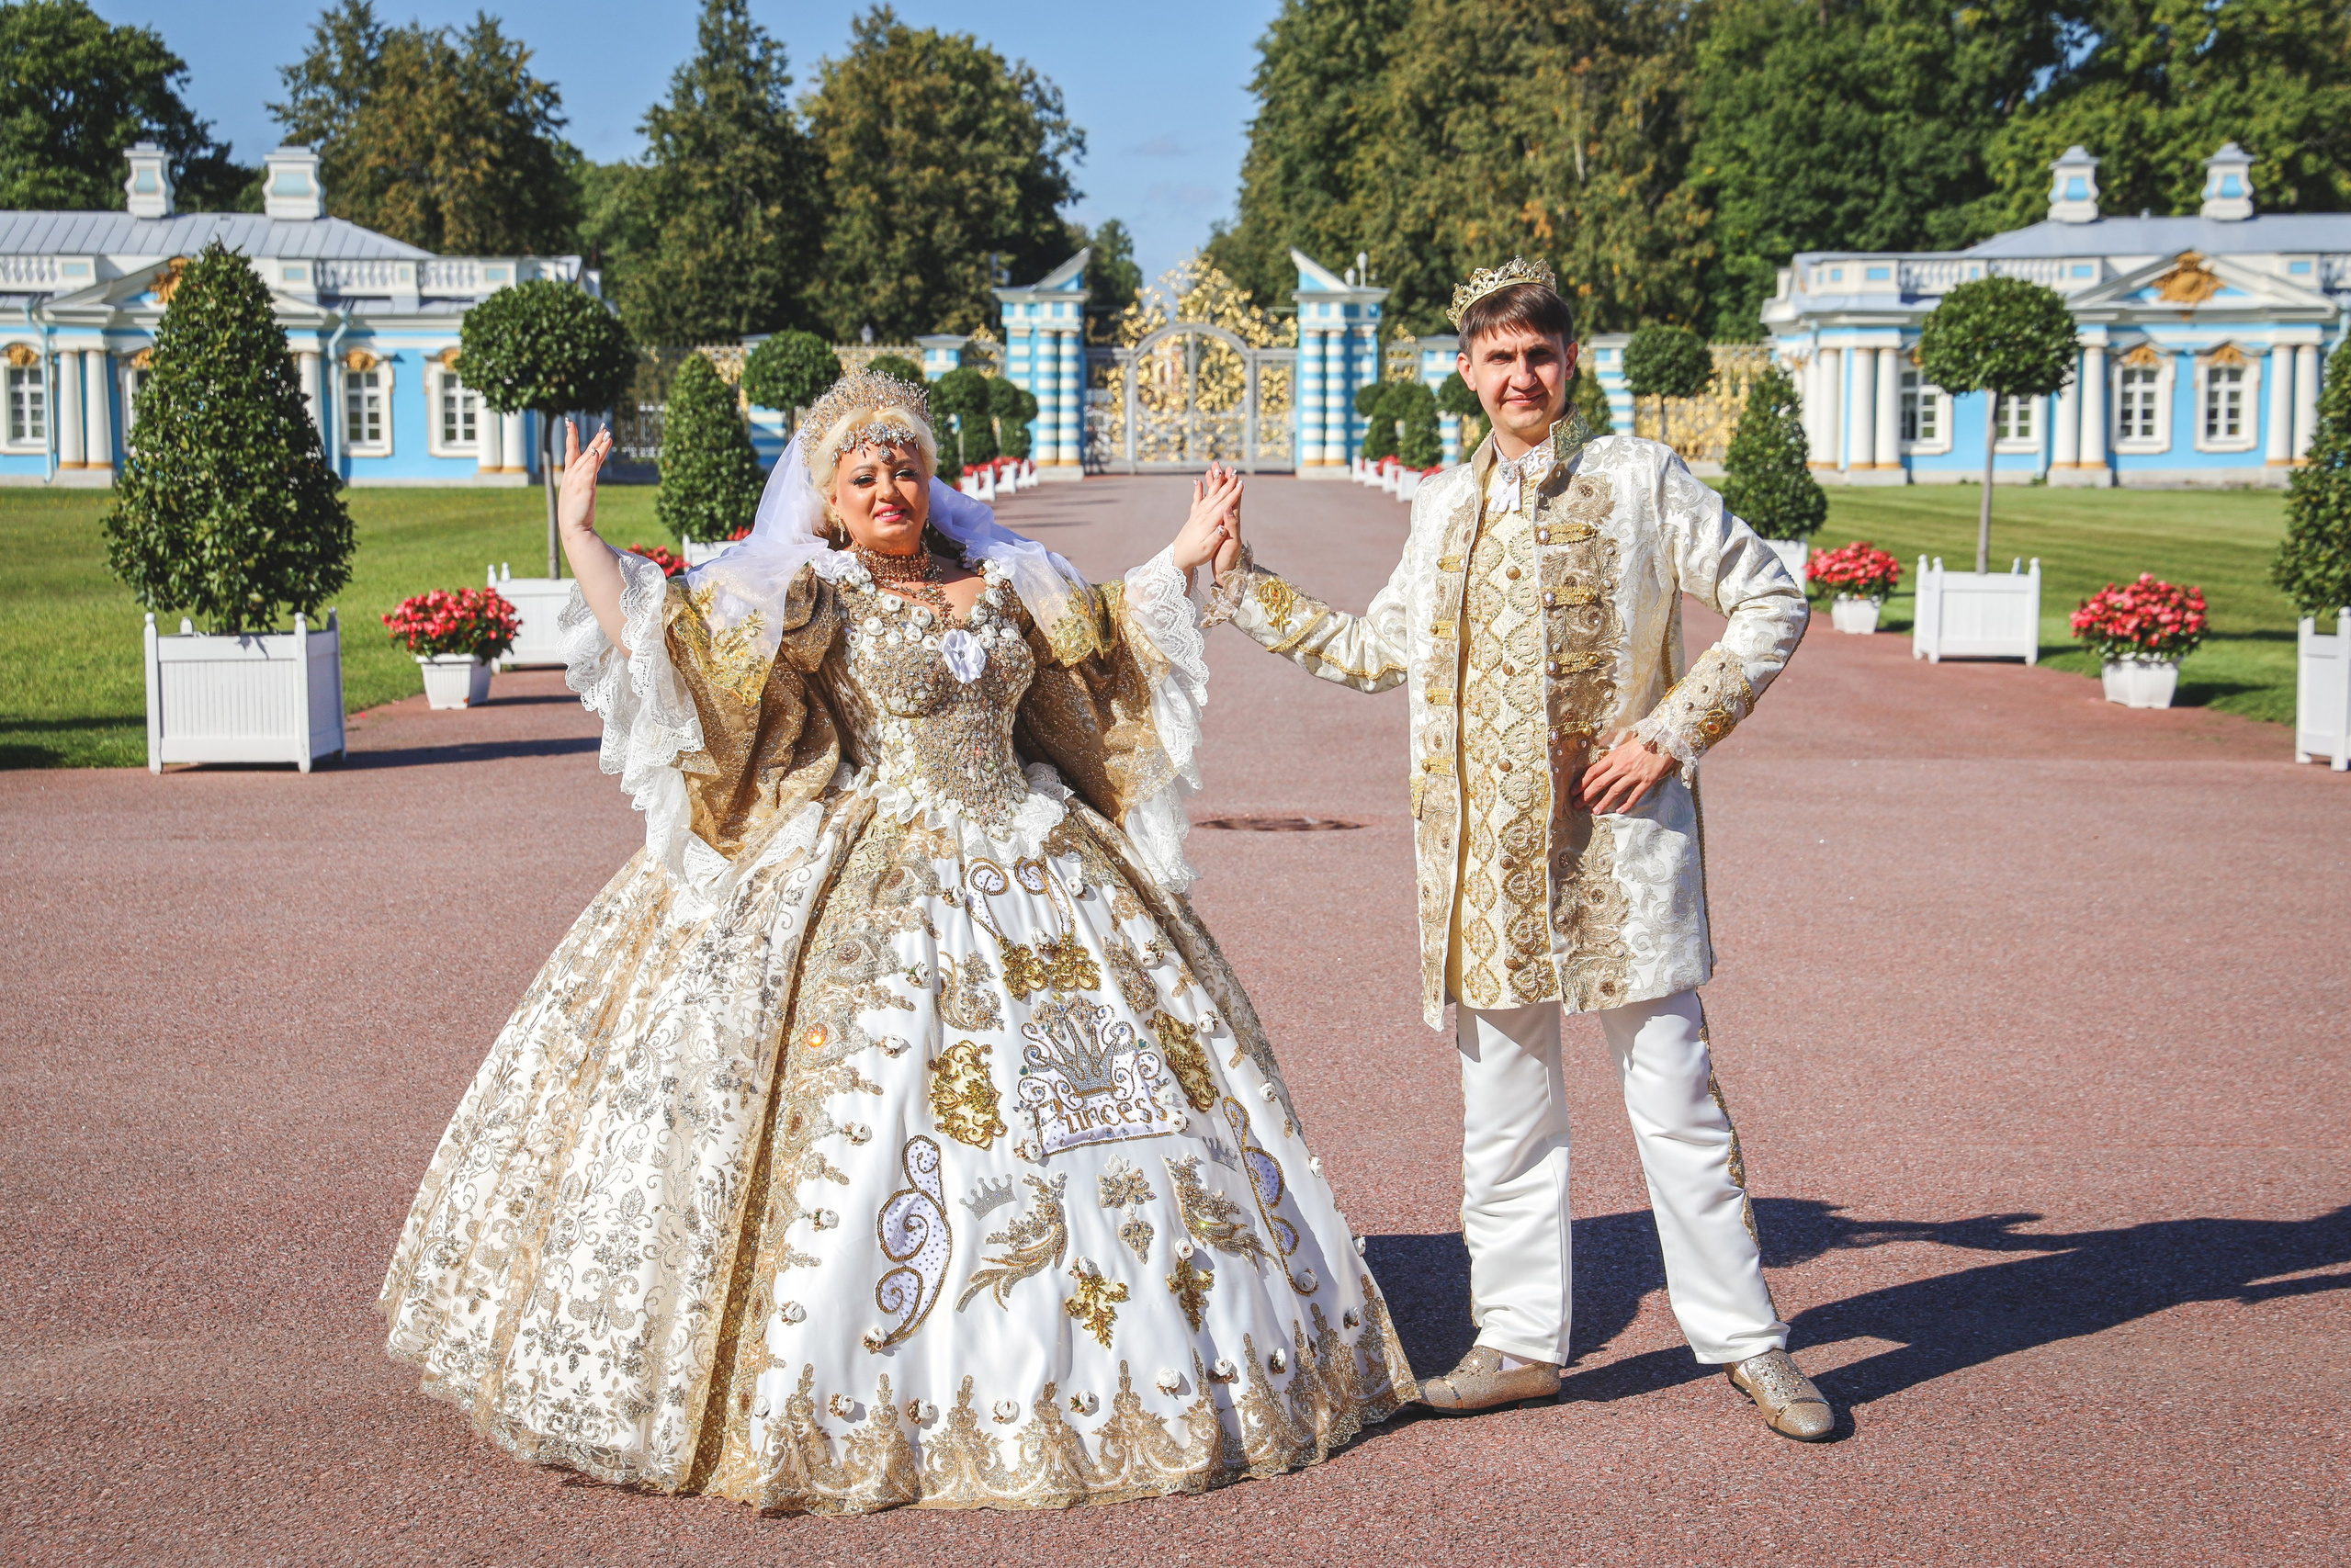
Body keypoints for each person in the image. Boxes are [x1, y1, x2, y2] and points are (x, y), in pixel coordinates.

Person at [379, 370, 1415, 1514]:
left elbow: (1107, 644)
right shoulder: (814, 598)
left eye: (906, 469)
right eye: (863, 475)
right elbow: (675, 649)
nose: (889, 488)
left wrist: (1184, 547)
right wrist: (579, 536)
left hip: (1042, 859)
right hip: (885, 866)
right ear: (826, 497)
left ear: (933, 482)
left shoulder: (1008, 582)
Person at [1207, 259, 1834, 1439]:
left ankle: (1750, 1342)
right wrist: (1241, 586)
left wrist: (1669, 731)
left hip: (1616, 850)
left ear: (1569, 363)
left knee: (1677, 1104)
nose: (1519, 376)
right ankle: (1518, 1343)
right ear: (1466, 373)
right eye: (1497, 358)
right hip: (1481, 873)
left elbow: (1770, 599)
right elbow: (1373, 648)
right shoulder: (1444, 505)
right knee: (1504, 1115)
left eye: (1537, 355)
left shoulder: (1641, 478)